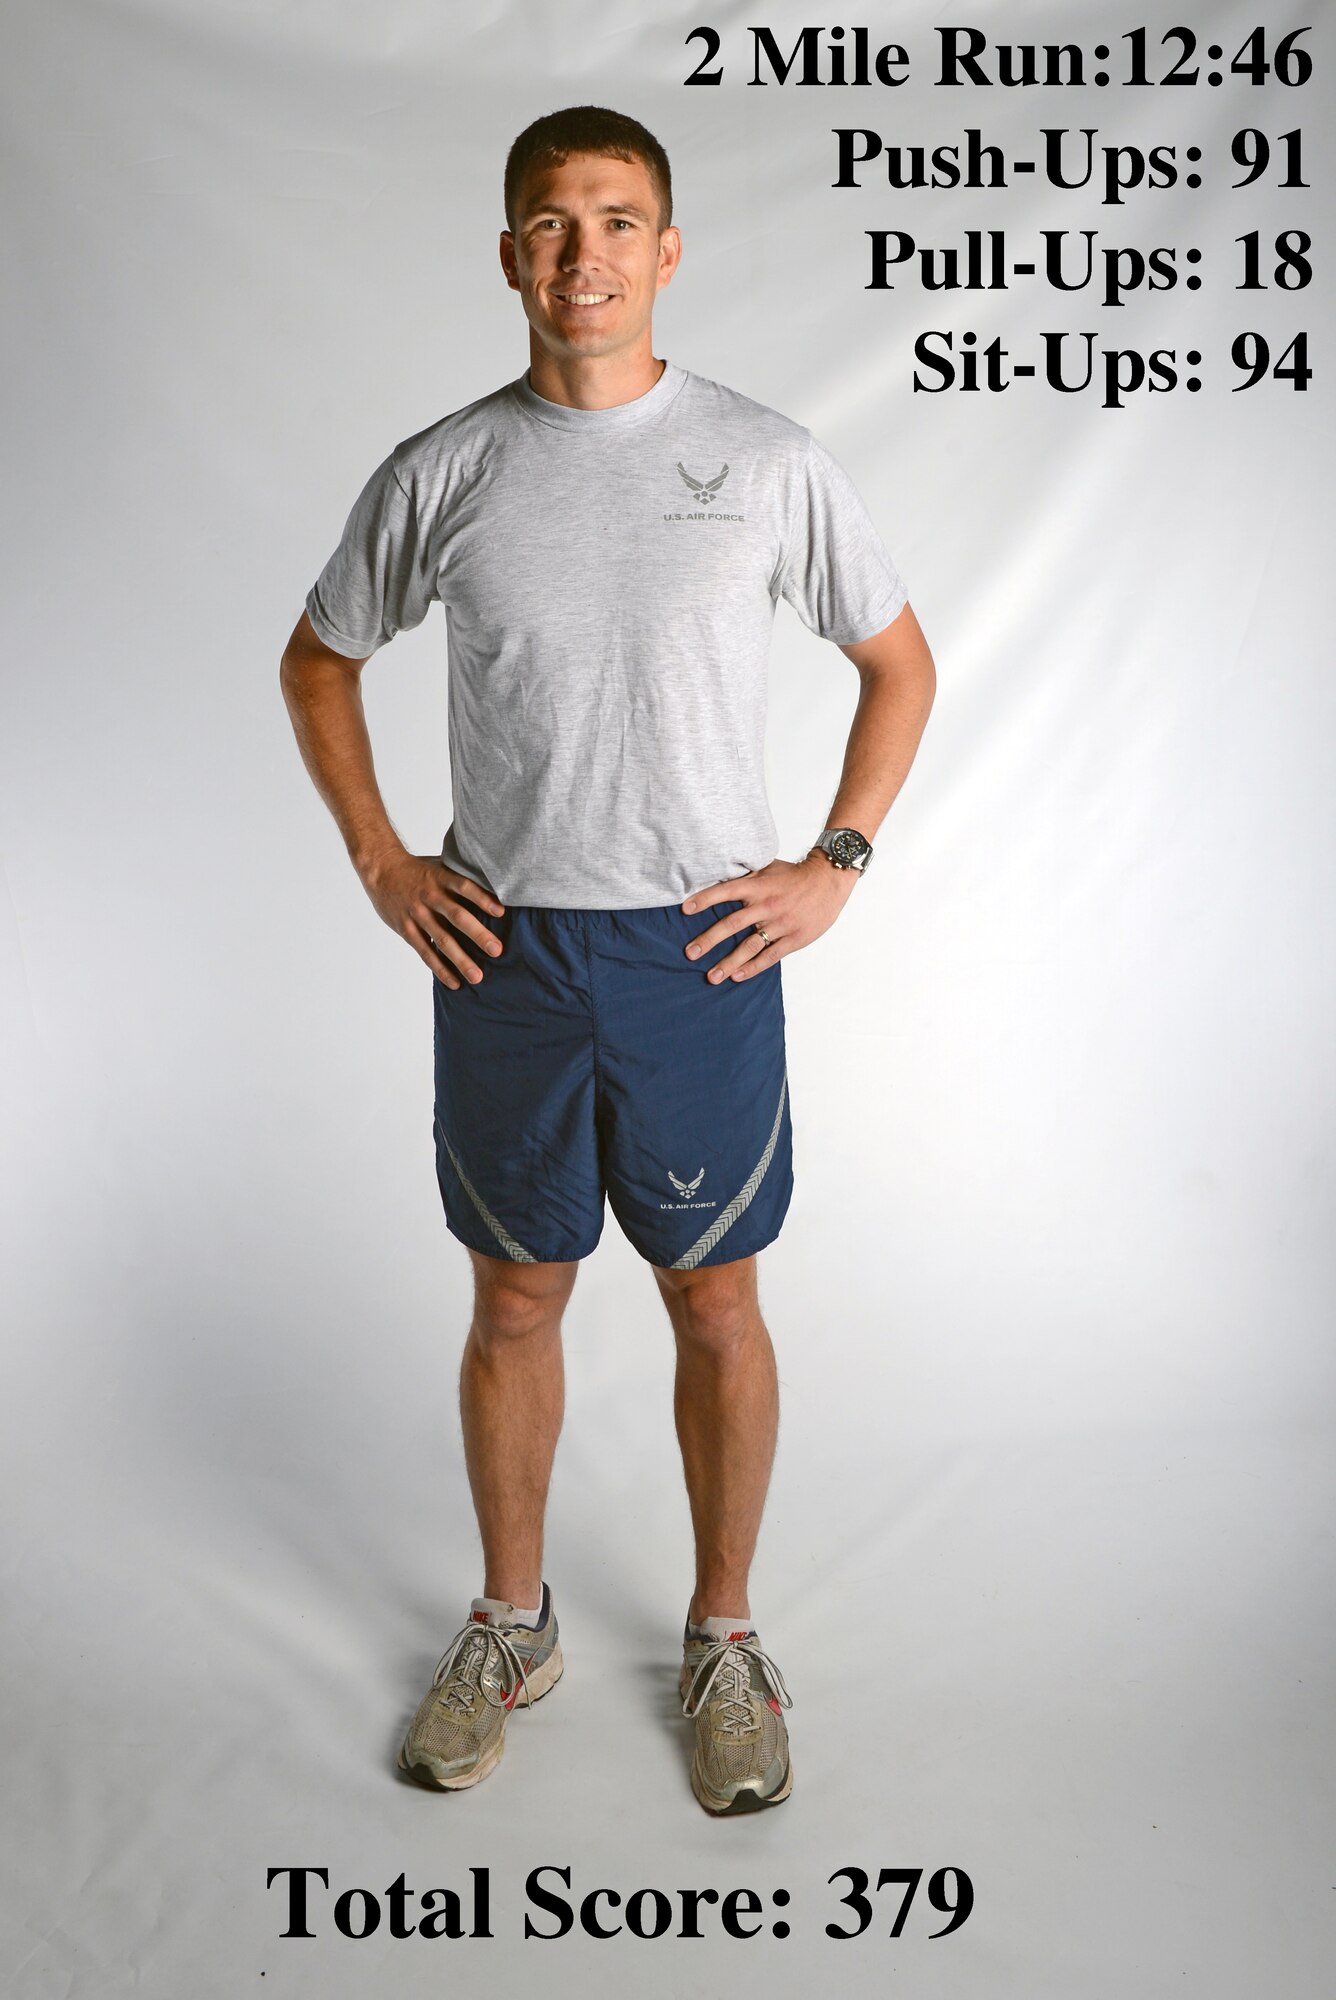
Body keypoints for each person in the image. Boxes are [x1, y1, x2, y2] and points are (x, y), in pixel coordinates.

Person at [279, 103, 936, 1815]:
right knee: (514, 1294)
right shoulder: (443, 470)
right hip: (505, 949)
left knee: (714, 1294)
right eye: (553, 226)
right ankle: (515, 1621)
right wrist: (380, 859)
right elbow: (317, 663)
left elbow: (901, 665)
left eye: (619, 221)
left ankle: (725, 1636)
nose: (586, 256)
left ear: (668, 249)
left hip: (699, 952)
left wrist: (833, 863)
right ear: (510, 254)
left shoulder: (769, 459)